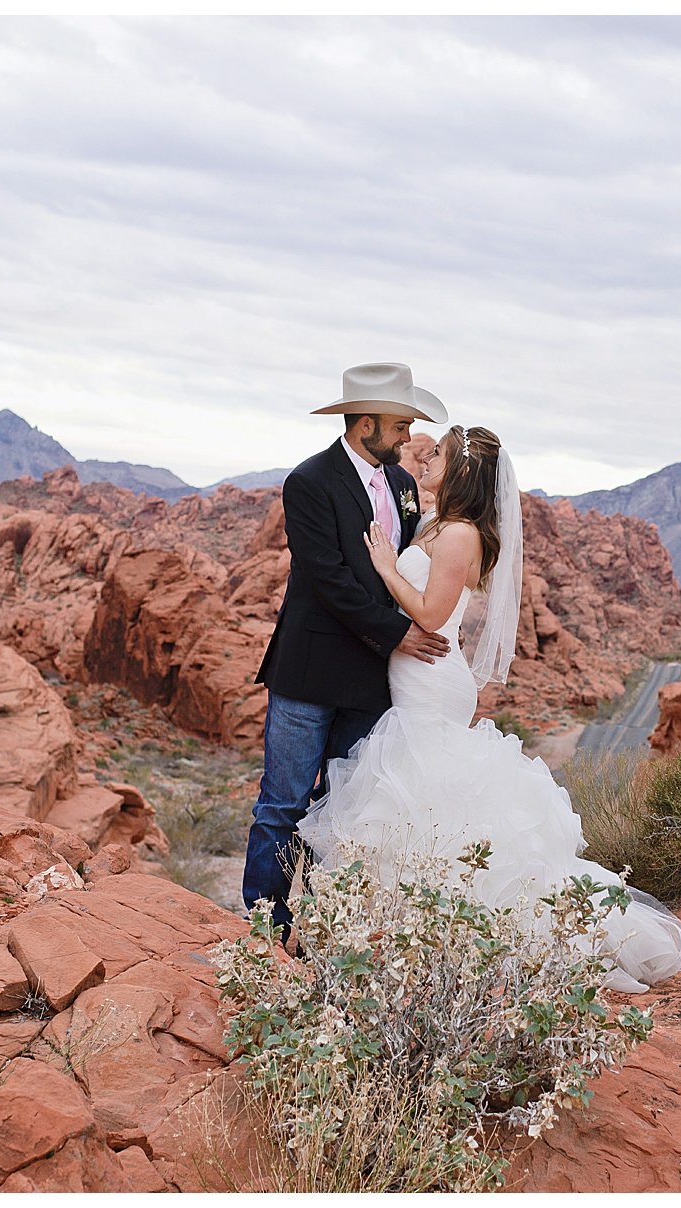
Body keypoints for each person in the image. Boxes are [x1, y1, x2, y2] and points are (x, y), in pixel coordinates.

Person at [298, 425, 681, 992]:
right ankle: (413, 934)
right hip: (416, 678)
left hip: (431, 679)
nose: (427, 457)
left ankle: (454, 934)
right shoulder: (440, 522)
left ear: (462, 472)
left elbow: (432, 616)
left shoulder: (458, 535)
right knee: (424, 801)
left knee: (430, 798)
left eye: (439, 455)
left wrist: (386, 569)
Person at [245, 362, 451, 936]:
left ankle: (316, 927)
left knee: (340, 809)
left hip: (372, 682)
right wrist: (398, 635)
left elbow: (405, 572)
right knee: (283, 805)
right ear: (365, 424)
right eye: (401, 425)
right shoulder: (308, 483)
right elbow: (329, 578)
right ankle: (263, 928)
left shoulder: (406, 488)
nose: (409, 437)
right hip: (308, 675)